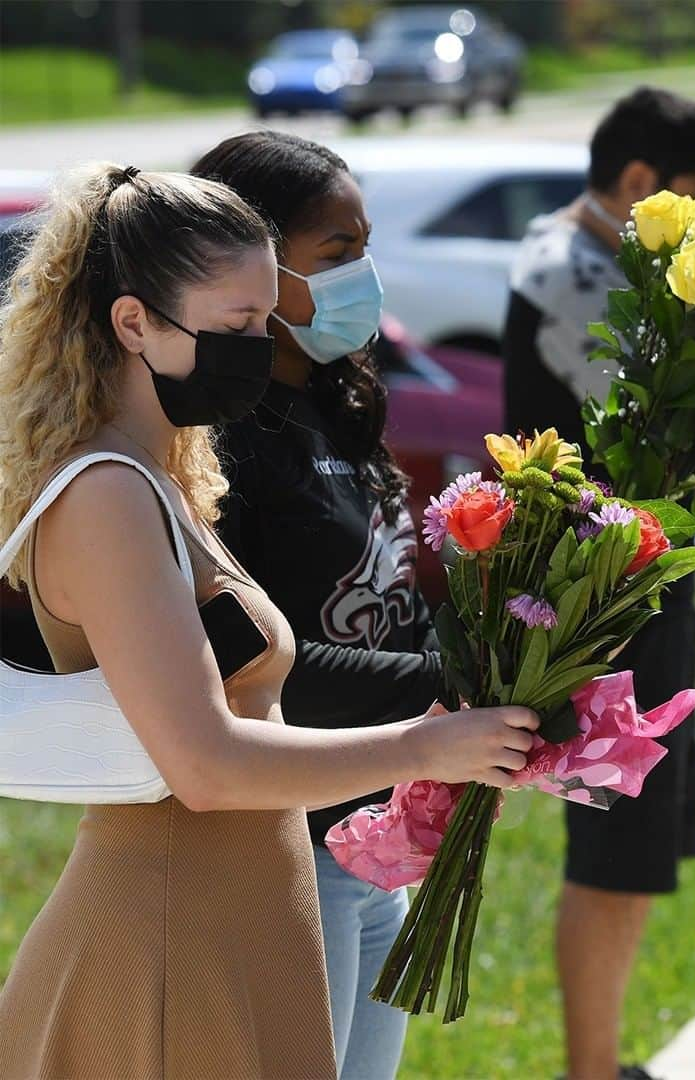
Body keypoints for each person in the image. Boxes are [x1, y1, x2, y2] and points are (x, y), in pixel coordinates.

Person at [0, 163, 538, 1077]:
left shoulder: (158, 477)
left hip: (231, 922)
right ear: (134, 323)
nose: (262, 344)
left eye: (266, 317)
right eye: (238, 324)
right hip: (171, 939)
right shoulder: (105, 496)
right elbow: (204, 767)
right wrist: (425, 745)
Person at [503, 86, 695, 1080]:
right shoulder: (574, 270)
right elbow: (651, 431)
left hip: (643, 581)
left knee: (644, 835)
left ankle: (604, 1060)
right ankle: (589, 1068)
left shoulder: (605, 260)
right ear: (640, 185)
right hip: (604, 595)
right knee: (615, 836)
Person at [191, 131, 435, 1080]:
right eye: (337, 255)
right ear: (252, 263)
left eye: (364, 247)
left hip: (374, 839)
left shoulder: (336, 401)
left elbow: (386, 599)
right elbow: (252, 669)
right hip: (288, 851)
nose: (363, 277)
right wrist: (451, 691)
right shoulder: (216, 447)